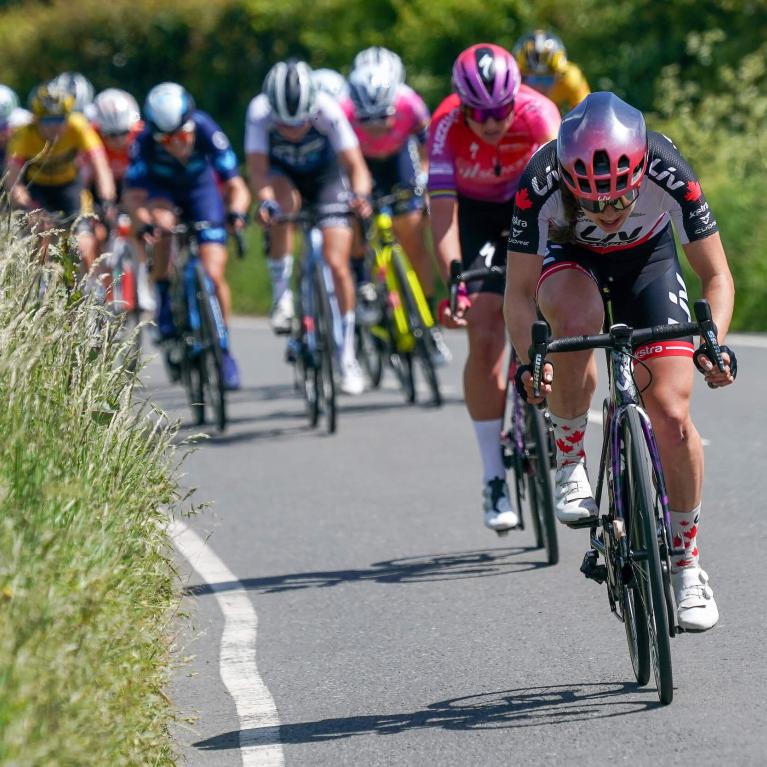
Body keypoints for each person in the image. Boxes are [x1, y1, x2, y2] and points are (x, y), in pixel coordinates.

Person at [505, 91, 736, 631]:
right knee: (577, 322)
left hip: (648, 263)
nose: (608, 215)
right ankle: (568, 460)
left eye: (620, 200)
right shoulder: (541, 180)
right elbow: (518, 294)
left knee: (673, 417)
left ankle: (686, 566)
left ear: (639, 174)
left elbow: (716, 276)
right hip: (570, 261)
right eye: (592, 203)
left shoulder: (666, 167)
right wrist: (528, 360)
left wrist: (714, 344)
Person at [429, 43, 560, 532]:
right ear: (462, 103)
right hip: (477, 216)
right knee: (484, 332)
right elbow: (443, 215)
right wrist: (456, 278)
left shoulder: (540, 114)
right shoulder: (443, 126)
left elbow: (565, 200)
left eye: (501, 109)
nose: (491, 121)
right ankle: (492, 476)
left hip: (533, 205)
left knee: (558, 304)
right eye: (479, 112)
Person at [245, 58, 372, 396]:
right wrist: (265, 201)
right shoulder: (258, 112)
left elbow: (355, 166)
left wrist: (359, 197)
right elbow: (257, 171)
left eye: (300, 122)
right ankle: (281, 297)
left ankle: (347, 357)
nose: (293, 130)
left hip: (327, 179)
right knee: (282, 207)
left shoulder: (328, 110)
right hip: (282, 178)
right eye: (284, 125)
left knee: (336, 262)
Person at [123, 82, 250, 390]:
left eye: (181, 136)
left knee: (214, 273)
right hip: (162, 192)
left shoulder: (206, 129)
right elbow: (132, 196)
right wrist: (143, 223)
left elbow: (236, 185)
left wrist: (236, 214)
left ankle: (223, 351)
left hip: (200, 191)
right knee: (164, 227)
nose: (176, 145)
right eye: (165, 139)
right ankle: (165, 296)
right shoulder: (143, 142)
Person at [344, 47, 450, 364]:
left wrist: (428, 181)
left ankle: (428, 322)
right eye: (369, 120)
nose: (376, 126)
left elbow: (429, 146)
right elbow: (339, 161)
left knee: (414, 234)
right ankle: (364, 284)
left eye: (383, 118)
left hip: (399, 162)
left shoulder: (410, 104)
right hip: (360, 164)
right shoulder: (343, 111)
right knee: (354, 225)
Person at [5, 80, 116, 272]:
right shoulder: (23, 135)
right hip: (37, 191)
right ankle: (38, 291)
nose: (54, 127)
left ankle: (91, 292)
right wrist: (27, 207)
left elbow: (101, 167)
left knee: (83, 245)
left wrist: (107, 200)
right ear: (36, 119)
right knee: (39, 240)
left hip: (69, 188)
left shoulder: (78, 127)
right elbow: (12, 181)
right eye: (47, 121)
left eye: (60, 120)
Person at [90, 88, 154, 311]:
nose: (118, 140)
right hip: (102, 186)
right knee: (98, 233)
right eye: (110, 135)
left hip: (133, 185)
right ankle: (101, 289)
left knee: (139, 229)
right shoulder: (91, 135)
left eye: (123, 133)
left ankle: (143, 283)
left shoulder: (143, 134)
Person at [512, 30, 590, 113]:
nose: (540, 86)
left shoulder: (570, 77)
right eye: (534, 79)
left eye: (547, 79)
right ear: (520, 75)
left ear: (558, 76)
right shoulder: (512, 77)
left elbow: (587, 112)